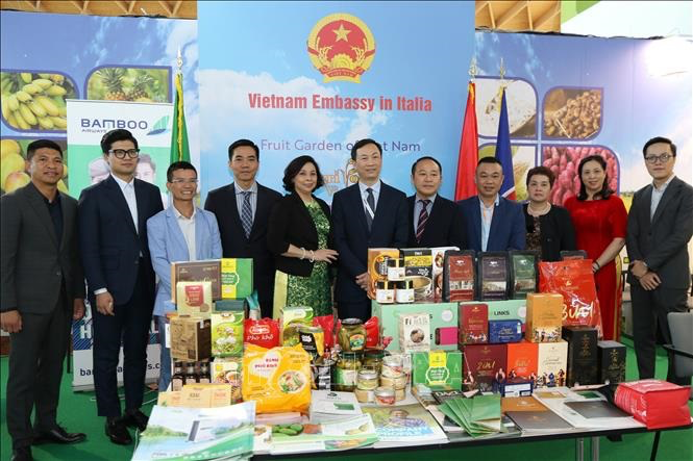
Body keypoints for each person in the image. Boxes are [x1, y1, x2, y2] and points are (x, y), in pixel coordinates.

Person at [1, 140, 87, 462]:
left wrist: (77, 295)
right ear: (28, 165)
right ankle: (20, 443)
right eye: (43, 160)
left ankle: (46, 425)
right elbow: (4, 258)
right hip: (24, 306)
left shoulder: (69, 204)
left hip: (62, 303)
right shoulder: (12, 203)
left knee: (51, 370)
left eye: (57, 160)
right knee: (22, 376)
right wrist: (6, 305)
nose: (52, 165)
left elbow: (72, 256)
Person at [78, 129, 164, 445]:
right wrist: (99, 289)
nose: (127, 157)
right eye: (120, 152)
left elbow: (156, 239)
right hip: (110, 291)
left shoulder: (152, 192)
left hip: (143, 286)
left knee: (138, 353)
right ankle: (112, 416)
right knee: (106, 354)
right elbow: (88, 247)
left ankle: (132, 409)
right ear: (107, 157)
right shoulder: (92, 195)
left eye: (132, 152)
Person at [147, 161, 222, 390]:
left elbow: (217, 257)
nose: (187, 186)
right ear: (169, 185)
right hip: (172, 303)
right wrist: (186, 294)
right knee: (173, 365)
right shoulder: (157, 222)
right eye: (180, 181)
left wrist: (204, 294)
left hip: (207, 304)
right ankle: (167, 415)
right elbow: (158, 262)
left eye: (192, 180)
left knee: (206, 363)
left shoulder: (210, 218)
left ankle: (203, 410)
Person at [626, 137, 692, 386]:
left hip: (671, 278)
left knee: (676, 339)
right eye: (651, 157)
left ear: (674, 159)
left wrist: (648, 264)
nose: (657, 162)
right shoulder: (640, 195)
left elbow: (681, 235)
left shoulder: (686, 193)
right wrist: (639, 269)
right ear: (645, 161)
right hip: (641, 278)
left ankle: (678, 390)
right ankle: (646, 386)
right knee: (642, 336)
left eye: (664, 156)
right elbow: (631, 234)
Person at [331, 139, 408, 320]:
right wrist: (361, 273)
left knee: (387, 342)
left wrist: (378, 275)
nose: (371, 162)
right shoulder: (342, 198)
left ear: (381, 160)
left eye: (375, 157)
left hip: (388, 286)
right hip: (352, 285)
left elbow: (401, 240)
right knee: (352, 343)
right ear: (354, 164)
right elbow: (338, 240)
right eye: (364, 158)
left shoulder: (398, 198)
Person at [204, 139, 282, 319]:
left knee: (264, 337)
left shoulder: (274, 198)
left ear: (258, 164)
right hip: (229, 282)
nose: (245, 165)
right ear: (230, 164)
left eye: (251, 159)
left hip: (265, 282)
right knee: (230, 338)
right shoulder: (215, 198)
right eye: (239, 159)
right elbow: (210, 239)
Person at [565, 155, 627, 341]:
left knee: (605, 314)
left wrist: (596, 265)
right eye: (587, 172)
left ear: (605, 173)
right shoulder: (570, 203)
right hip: (575, 270)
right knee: (577, 315)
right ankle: (578, 363)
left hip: (605, 268)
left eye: (596, 171)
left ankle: (607, 362)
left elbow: (620, 239)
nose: (592, 176)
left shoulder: (615, 203)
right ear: (580, 177)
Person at [267, 156, 338, 318]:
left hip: (321, 281)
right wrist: (312, 255)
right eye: (302, 174)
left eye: (313, 174)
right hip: (295, 279)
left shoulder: (321, 205)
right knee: (295, 330)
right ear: (292, 177)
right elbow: (275, 243)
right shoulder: (284, 204)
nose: (308, 178)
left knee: (320, 330)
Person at [458, 157, 525, 252]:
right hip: (470, 266)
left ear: (502, 179)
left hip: (503, 266)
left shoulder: (514, 210)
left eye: (494, 176)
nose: (489, 181)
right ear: (475, 179)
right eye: (484, 176)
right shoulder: (461, 208)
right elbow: (456, 245)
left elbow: (517, 247)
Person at [407, 156, 466, 248]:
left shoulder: (454, 210)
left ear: (441, 180)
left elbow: (458, 248)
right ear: (412, 178)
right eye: (423, 174)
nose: (428, 179)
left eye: (433, 175)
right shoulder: (401, 205)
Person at [523, 166, 577, 261]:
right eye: (534, 184)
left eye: (544, 185)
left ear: (550, 188)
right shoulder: (517, 213)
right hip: (521, 272)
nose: (538, 189)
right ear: (527, 187)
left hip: (553, 273)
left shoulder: (561, 215)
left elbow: (569, 251)